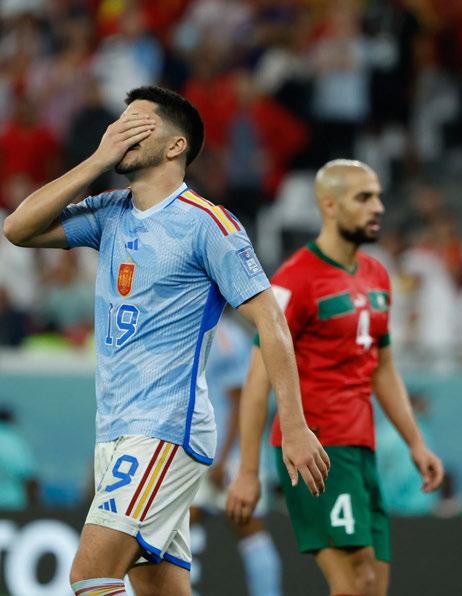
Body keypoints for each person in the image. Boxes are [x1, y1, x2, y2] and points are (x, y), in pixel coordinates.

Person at [3, 85, 329, 596]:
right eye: (120, 123)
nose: (122, 132)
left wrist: (293, 424)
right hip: (115, 428)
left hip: (164, 427)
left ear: (176, 146)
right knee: (160, 590)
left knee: (90, 576)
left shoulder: (207, 224)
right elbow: (18, 229)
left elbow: (272, 321)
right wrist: (97, 159)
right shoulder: (110, 212)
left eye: (138, 124)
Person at [227, 159, 444, 596]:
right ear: (329, 205)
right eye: (364, 198)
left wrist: (415, 441)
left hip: (362, 449)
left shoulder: (377, 275)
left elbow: (383, 368)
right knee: (354, 580)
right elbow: (257, 380)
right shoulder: (294, 280)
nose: (378, 207)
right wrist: (248, 471)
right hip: (319, 451)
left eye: (378, 196)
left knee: (373, 585)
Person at [190, 314, 282, 596]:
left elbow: (240, 400)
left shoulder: (225, 337)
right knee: (181, 526)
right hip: (203, 451)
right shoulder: (197, 326)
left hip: (223, 456)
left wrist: (222, 458)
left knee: (247, 527)